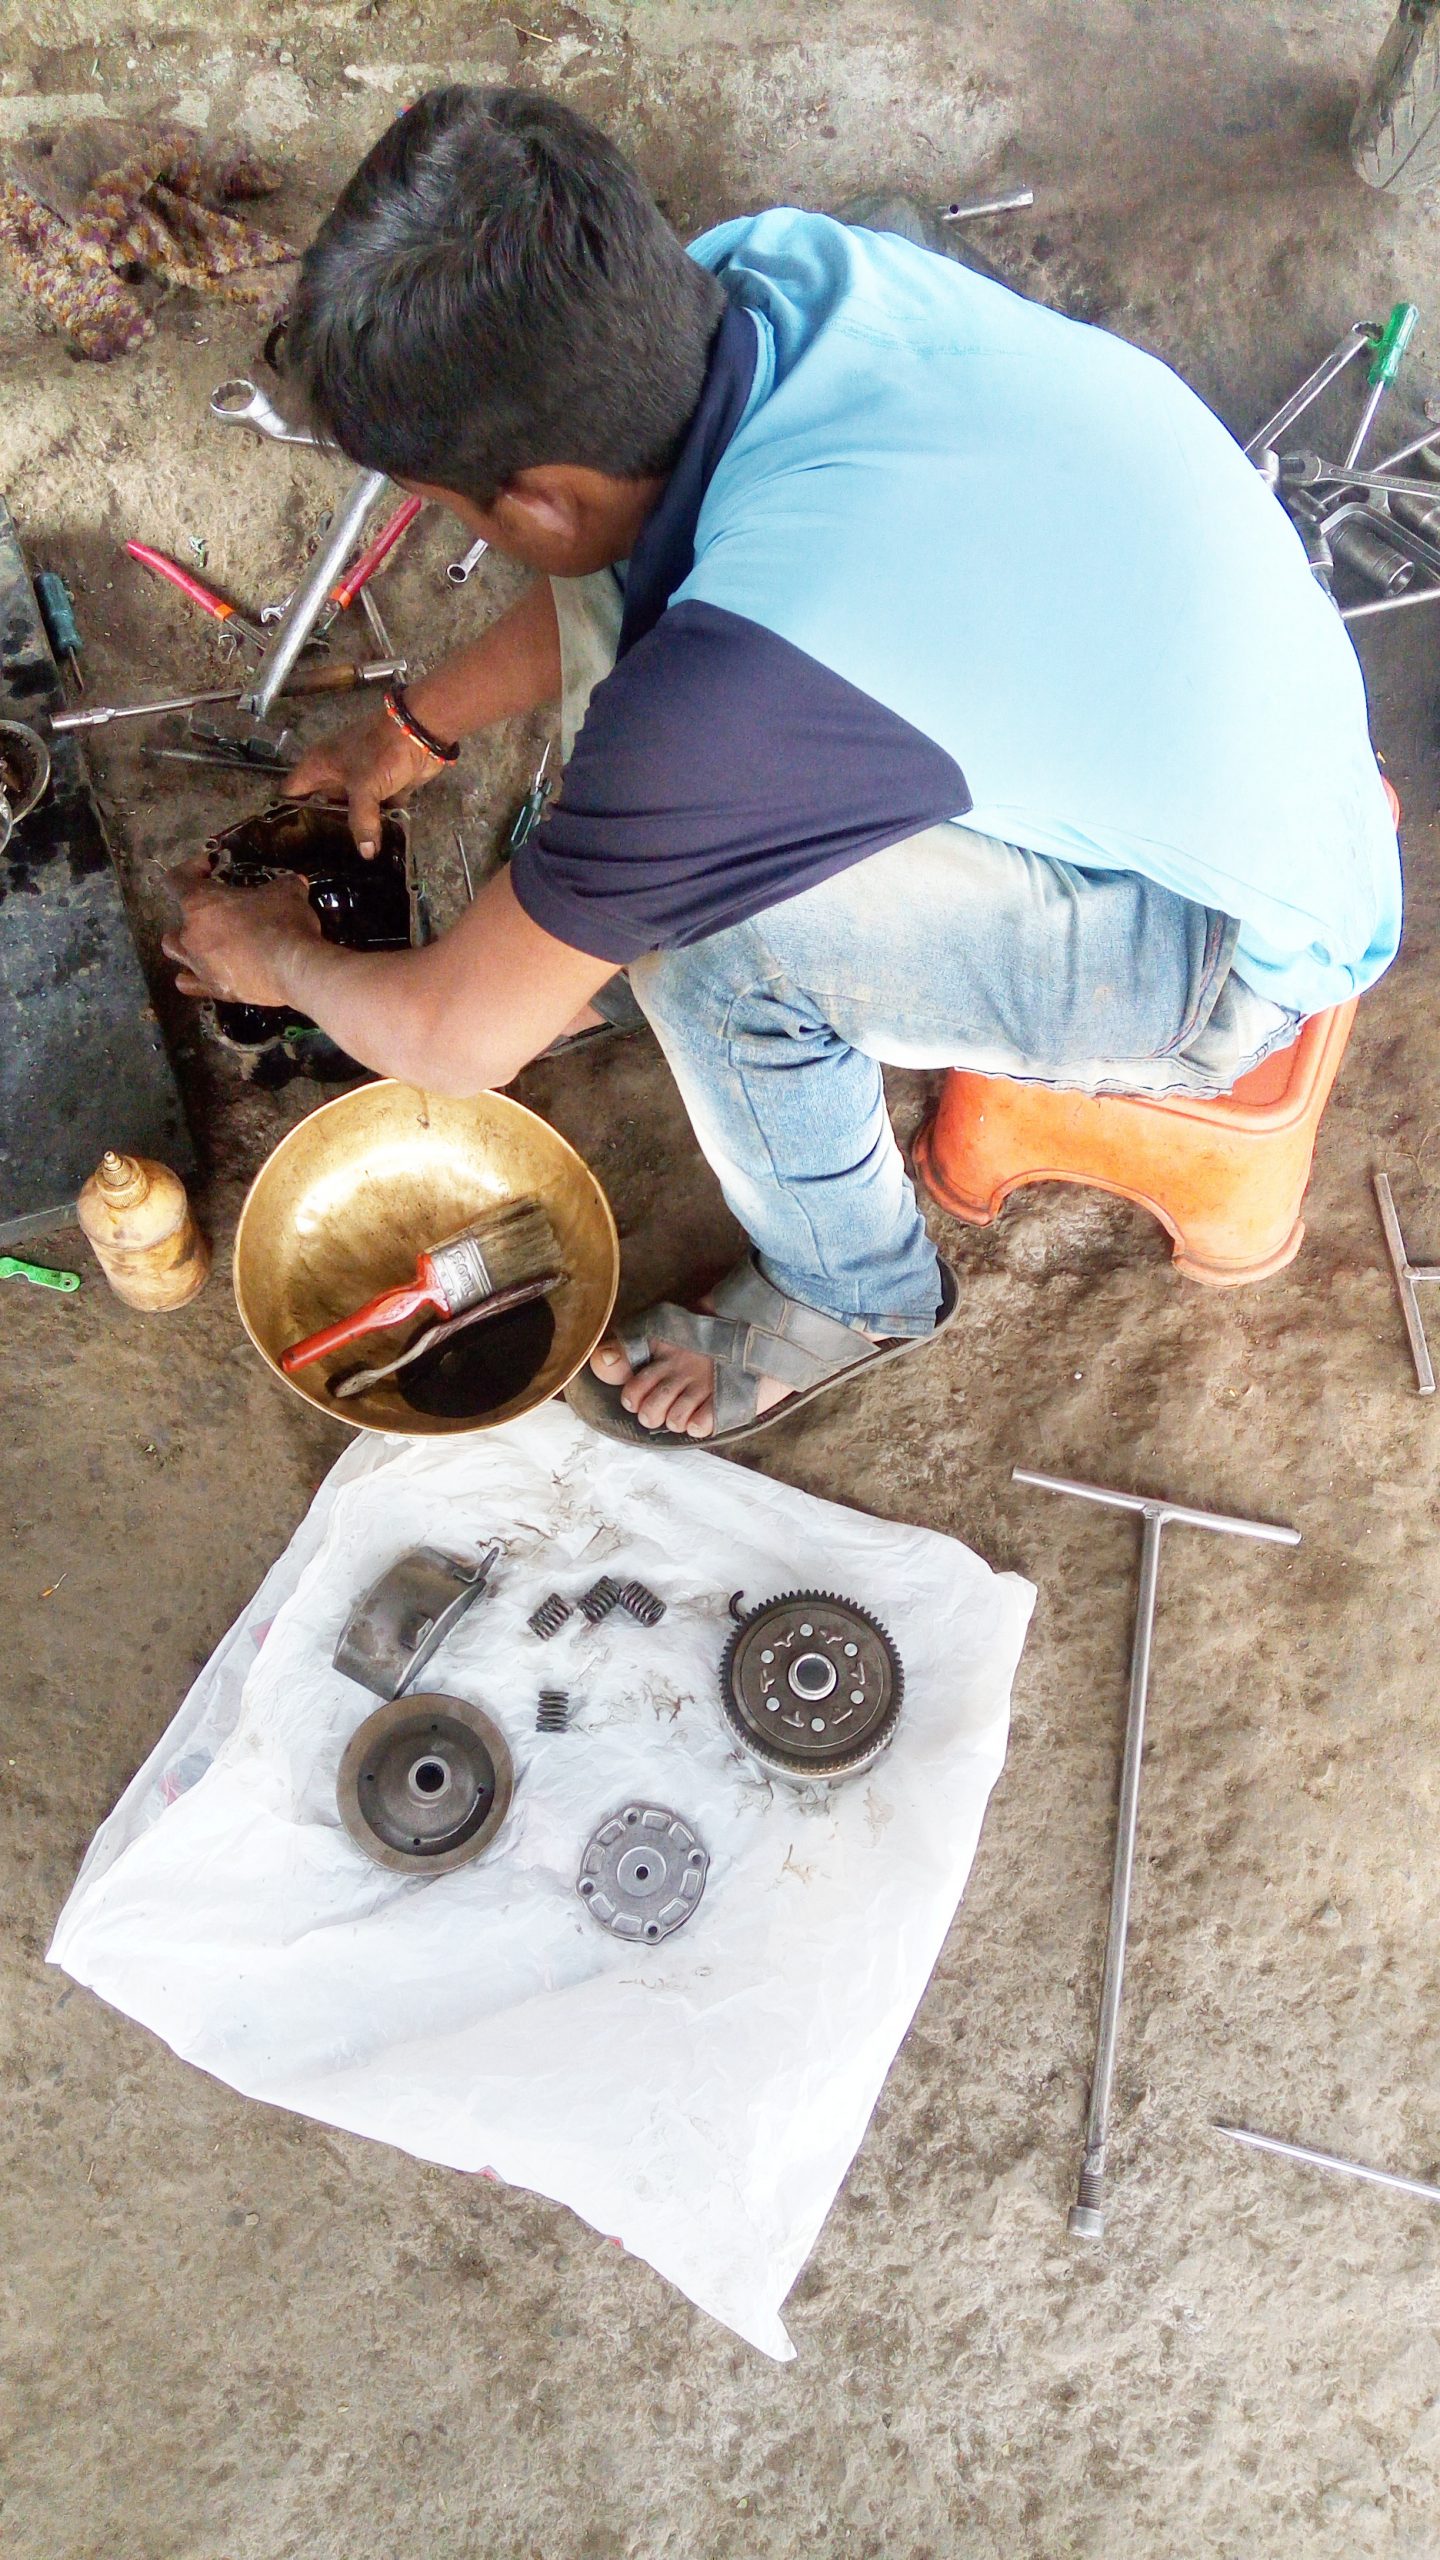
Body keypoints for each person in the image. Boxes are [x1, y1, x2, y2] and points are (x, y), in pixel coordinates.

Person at [166, 85, 1402, 1448]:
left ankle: (853, 1292)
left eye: (458, 512)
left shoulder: (747, 686)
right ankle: (619, 956)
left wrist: (266, 956)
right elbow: (615, 553)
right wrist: (415, 724)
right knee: (648, 789)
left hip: (1226, 945)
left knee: (710, 946)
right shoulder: (770, 274)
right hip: (1214, 730)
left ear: (531, 502)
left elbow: (451, 1046)